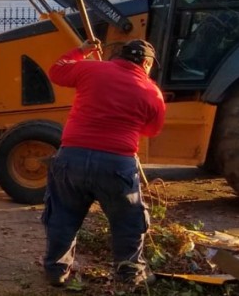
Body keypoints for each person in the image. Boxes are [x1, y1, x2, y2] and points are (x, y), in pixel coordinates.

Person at [42, 39, 166, 288]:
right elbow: (152, 130)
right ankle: (129, 273)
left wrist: (82, 50)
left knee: (63, 216)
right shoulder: (152, 92)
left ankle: (56, 270)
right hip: (117, 164)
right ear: (146, 63)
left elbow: (57, 70)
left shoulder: (91, 69)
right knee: (128, 220)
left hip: (71, 157)